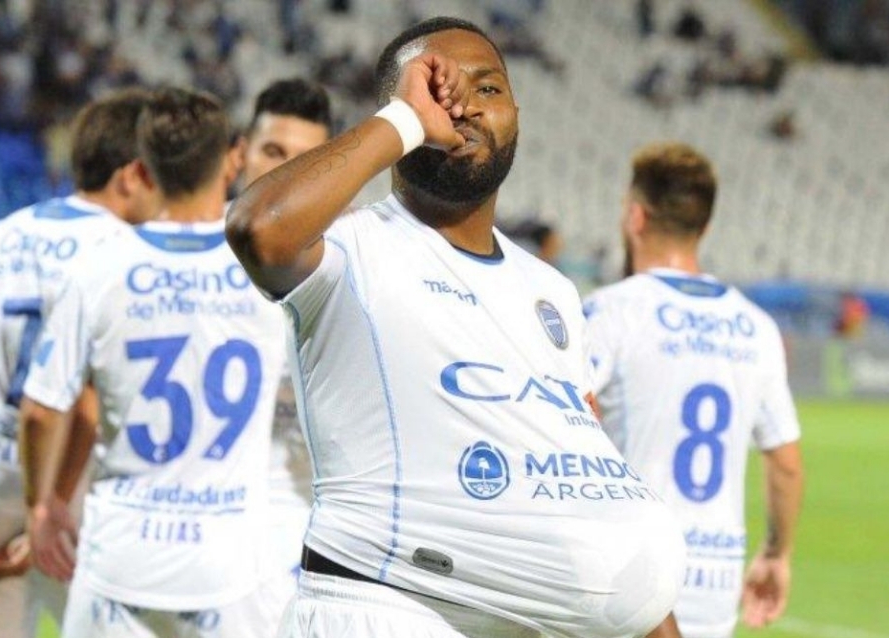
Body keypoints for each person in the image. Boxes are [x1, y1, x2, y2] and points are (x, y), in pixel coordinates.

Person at [226, 16, 685, 638]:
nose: (464, 106)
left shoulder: (551, 291)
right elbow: (259, 227)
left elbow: (589, 485)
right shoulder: (350, 248)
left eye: (488, 89)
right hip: (381, 606)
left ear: (517, 115)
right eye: (439, 92)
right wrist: (406, 121)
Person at [19, 86, 289, 638]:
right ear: (233, 158)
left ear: (142, 170)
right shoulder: (270, 268)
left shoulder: (98, 268)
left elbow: (41, 411)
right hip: (228, 567)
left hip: (119, 560)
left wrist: (42, 509)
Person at [0, 88, 159, 638]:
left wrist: (8, 423)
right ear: (132, 174)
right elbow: (92, 397)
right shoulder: (129, 251)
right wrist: (47, 501)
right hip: (76, 502)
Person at [583, 142, 805, 638]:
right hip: (714, 584)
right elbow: (786, 464)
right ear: (703, 227)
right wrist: (776, 553)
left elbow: (562, 412)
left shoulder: (611, 312)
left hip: (628, 575)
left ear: (635, 217)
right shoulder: (756, 327)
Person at [236, 78, 334, 600]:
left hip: (302, 538)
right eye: (273, 152)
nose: (283, 172)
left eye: (304, 160)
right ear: (240, 154)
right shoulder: (182, 261)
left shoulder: (355, 271)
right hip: (197, 526)